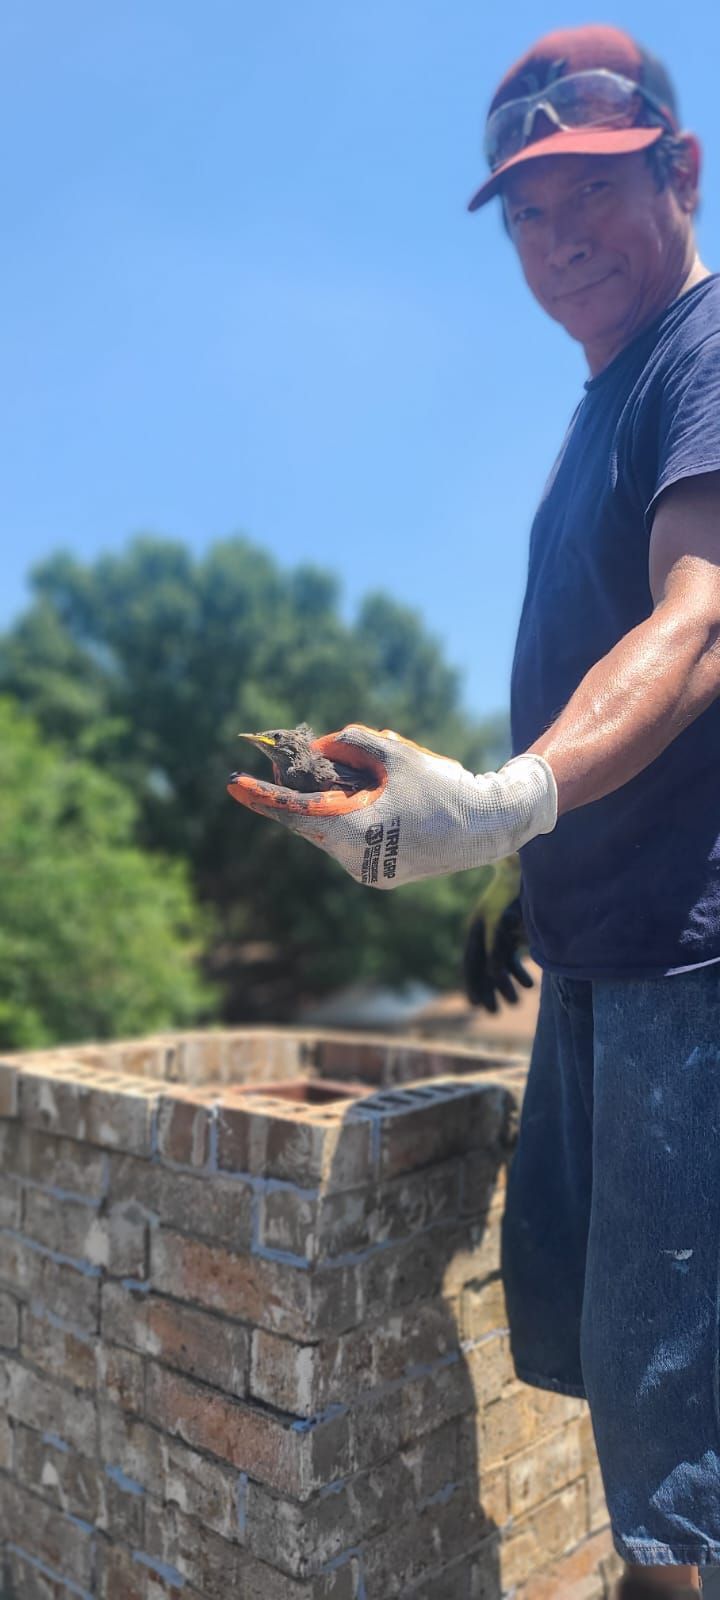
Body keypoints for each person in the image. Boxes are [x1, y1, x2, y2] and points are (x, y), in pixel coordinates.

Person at [228, 23, 720, 1595]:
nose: (555, 235)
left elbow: (698, 618)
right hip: (602, 954)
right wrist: (524, 869)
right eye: (525, 210)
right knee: (616, 1377)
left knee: (673, 1471)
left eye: (587, 189)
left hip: (686, 977)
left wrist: (507, 801)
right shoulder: (604, 403)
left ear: (682, 170)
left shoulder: (705, 352)